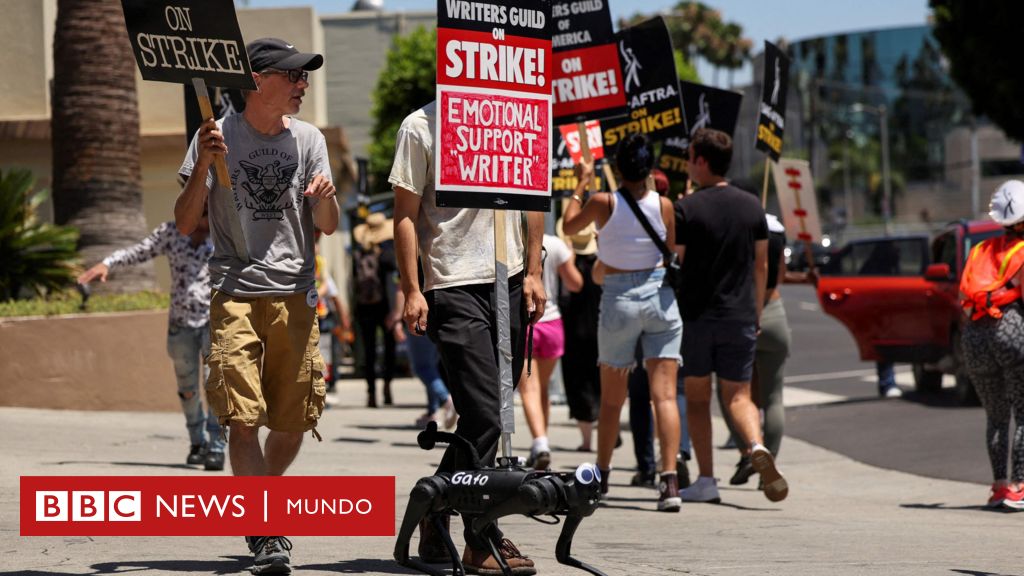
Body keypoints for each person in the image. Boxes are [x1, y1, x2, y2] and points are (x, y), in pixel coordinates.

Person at [174, 37, 338, 575]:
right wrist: (204, 165)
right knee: (241, 419)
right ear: (259, 80)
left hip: (295, 291)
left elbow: (330, 224)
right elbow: (183, 221)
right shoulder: (217, 133)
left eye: (304, 77)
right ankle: (266, 528)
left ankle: (258, 502)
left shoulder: (309, 138)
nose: (302, 85)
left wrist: (326, 196)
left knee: (293, 419)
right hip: (235, 291)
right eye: (293, 76)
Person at [390, 101, 545, 574]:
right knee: (485, 412)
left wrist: (535, 270)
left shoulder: (514, 114)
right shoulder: (420, 126)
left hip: (511, 278)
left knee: (493, 412)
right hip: (452, 284)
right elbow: (405, 213)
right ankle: (480, 535)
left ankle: (434, 509)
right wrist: (412, 288)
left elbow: (532, 197)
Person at [563, 132, 684, 513]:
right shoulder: (664, 205)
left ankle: (601, 474)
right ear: (650, 168)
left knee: (612, 399)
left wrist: (581, 184)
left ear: (617, 167)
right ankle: (669, 482)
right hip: (659, 297)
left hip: (618, 299)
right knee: (663, 396)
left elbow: (568, 227)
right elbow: (670, 250)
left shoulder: (603, 201)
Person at [674, 128, 788, 504]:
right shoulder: (752, 206)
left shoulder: (687, 208)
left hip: (697, 315)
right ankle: (756, 445)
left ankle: (706, 480)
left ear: (702, 161)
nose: (688, 164)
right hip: (740, 315)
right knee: (739, 395)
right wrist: (754, 312)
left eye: (691, 157)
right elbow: (762, 265)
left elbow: (679, 259)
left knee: (696, 397)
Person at [77, 213, 224, 471]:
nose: (202, 213)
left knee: (216, 386)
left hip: (215, 323)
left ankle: (216, 446)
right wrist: (108, 263)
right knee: (187, 389)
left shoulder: (225, 231)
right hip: (181, 325)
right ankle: (197, 443)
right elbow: (140, 251)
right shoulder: (171, 232)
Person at [959, 180, 1024, 510]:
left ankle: (1000, 486)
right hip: (1010, 331)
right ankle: (1020, 485)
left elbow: (963, 296)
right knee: (1023, 414)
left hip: (973, 338)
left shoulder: (978, 251)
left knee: (996, 417)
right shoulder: (1022, 250)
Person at [520, 233, 583, 470]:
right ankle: (540, 442)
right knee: (542, 388)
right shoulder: (556, 244)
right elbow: (576, 283)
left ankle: (540, 443)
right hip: (553, 322)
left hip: (526, 321)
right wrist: (571, 257)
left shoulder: (515, 240)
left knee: (529, 388)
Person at [557, 218, 602, 453]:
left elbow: (567, 293)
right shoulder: (601, 262)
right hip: (602, 329)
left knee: (578, 383)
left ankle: (587, 441)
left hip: (574, 331)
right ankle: (606, 430)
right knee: (600, 382)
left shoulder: (568, 265)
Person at [390, 287, 457, 429]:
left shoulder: (411, 265)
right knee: (431, 366)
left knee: (422, 367)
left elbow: (401, 288)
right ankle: (432, 412)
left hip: (421, 314)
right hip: (442, 311)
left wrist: (396, 320)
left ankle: (446, 400)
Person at [352, 212, 397, 407]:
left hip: (364, 307)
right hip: (385, 306)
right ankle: (387, 386)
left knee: (369, 350)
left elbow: (352, 282)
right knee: (389, 348)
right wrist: (395, 311)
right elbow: (392, 283)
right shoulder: (388, 252)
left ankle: (371, 393)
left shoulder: (358, 253)